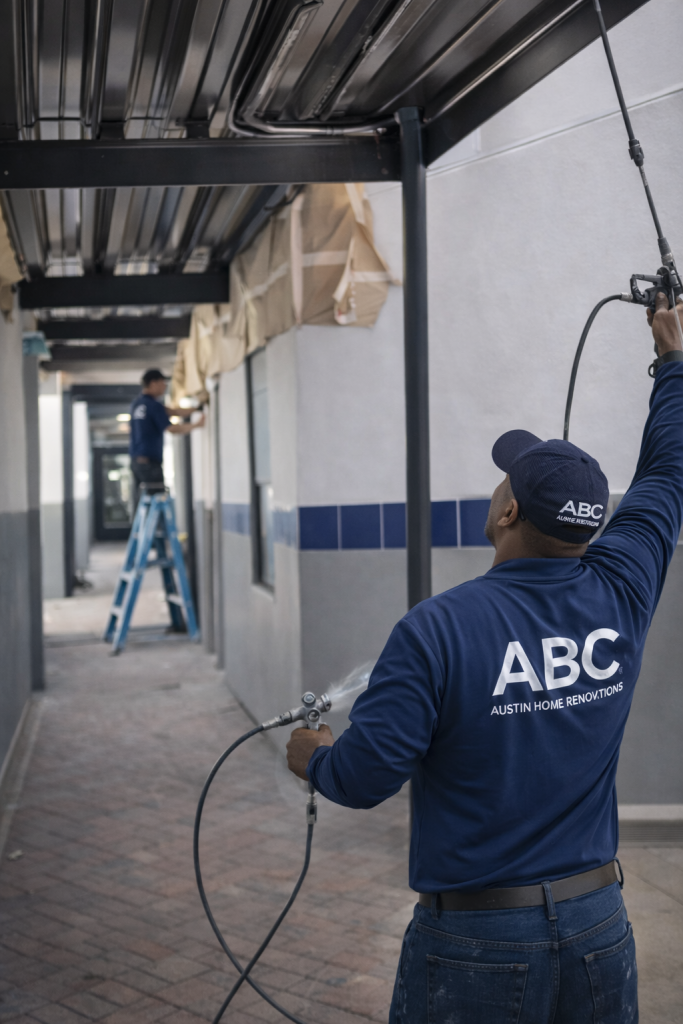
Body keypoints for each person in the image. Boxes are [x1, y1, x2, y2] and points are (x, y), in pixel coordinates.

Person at [286, 293, 683, 1023]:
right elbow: (667, 472)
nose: (499, 483)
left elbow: (364, 778)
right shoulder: (623, 587)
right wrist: (674, 364)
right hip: (598, 925)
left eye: (506, 479)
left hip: (476, 943)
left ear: (508, 513)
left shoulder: (435, 630)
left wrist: (313, 757)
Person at [129, 368, 204, 502]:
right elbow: (172, 428)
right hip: (150, 464)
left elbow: (174, 411)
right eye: (163, 383)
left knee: (144, 501)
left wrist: (197, 408)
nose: (165, 387)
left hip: (136, 462)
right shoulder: (154, 405)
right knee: (158, 500)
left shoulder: (137, 404)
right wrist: (196, 425)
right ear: (153, 383)